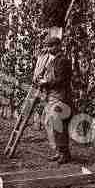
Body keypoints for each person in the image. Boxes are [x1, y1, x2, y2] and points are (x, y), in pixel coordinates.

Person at [34, 37, 73, 165]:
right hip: (52, 96)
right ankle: (58, 152)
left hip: (62, 96)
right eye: (48, 46)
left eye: (52, 46)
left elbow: (62, 80)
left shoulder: (63, 61)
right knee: (51, 123)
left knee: (58, 124)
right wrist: (42, 79)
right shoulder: (52, 61)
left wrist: (47, 82)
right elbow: (48, 76)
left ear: (59, 46)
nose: (50, 49)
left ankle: (65, 154)